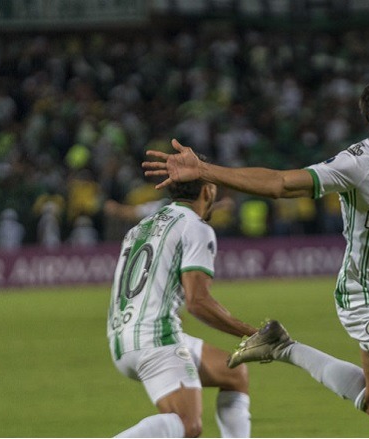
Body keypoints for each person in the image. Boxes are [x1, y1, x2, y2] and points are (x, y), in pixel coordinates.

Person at [143, 71, 369, 438]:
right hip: (367, 300)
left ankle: (283, 348)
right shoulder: (359, 164)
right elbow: (281, 184)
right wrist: (205, 169)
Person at [108, 154, 258, 438]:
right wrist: (252, 333)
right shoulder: (196, 227)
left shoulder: (143, 226)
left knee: (233, 373)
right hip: (155, 338)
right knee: (188, 425)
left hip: (122, 337)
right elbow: (198, 303)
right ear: (208, 190)